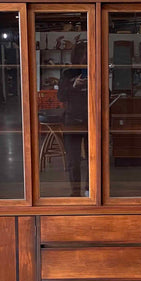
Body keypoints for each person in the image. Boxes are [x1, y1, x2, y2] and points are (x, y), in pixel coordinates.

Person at [57, 42, 88, 197]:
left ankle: (91, 191)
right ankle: (75, 192)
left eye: (88, 55)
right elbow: (61, 96)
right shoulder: (67, 74)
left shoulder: (95, 71)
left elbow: (106, 94)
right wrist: (74, 85)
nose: (86, 58)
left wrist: (95, 84)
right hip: (72, 120)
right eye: (84, 55)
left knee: (94, 160)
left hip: (92, 120)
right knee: (73, 161)